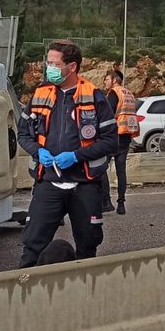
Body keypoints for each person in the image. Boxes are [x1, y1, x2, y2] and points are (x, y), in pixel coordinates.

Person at [17, 40, 120, 267]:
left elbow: (111, 141)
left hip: (85, 183)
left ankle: (82, 295)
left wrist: (76, 156)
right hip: (49, 181)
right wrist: (38, 150)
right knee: (32, 244)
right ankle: (23, 293)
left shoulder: (94, 97)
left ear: (72, 66)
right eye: (48, 62)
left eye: (54, 63)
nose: (48, 67)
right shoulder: (40, 94)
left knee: (87, 244)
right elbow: (23, 134)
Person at [101, 68, 139, 215]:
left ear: (114, 80)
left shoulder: (113, 93)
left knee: (101, 167)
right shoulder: (128, 93)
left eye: (107, 78)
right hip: (126, 135)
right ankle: (121, 204)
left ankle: (106, 201)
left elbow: (108, 114)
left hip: (114, 135)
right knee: (121, 171)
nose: (105, 81)